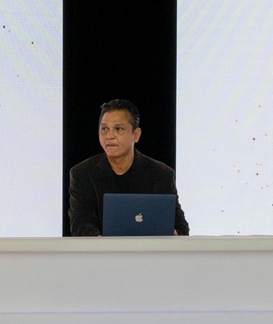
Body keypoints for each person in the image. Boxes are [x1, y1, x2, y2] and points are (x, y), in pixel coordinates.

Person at [67, 99, 190, 236]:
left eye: (118, 129)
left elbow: (181, 227)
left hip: (149, 254)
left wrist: (172, 235)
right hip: (103, 255)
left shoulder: (161, 174)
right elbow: (80, 224)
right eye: (104, 129)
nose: (109, 136)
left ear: (136, 135)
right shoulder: (82, 174)